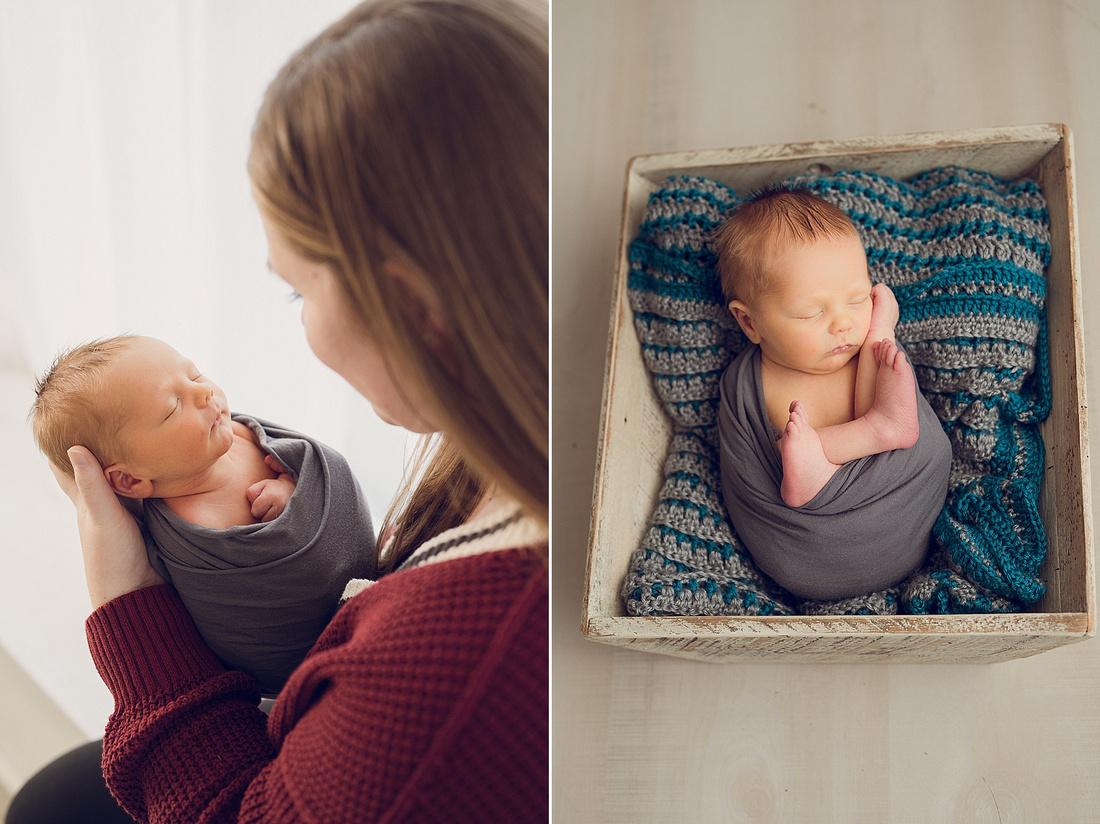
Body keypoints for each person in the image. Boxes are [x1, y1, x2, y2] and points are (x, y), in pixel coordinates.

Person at [7, 0, 547, 821]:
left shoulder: (457, 660)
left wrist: (126, 607)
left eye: (298, 288)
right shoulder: (515, 442)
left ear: (409, 304)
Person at [29, 334, 375, 695]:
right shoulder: (201, 528)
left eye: (195, 376)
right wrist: (291, 506)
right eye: (173, 407)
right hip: (306, 661)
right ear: (130, 479)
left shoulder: (234, 432)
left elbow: (303, 460)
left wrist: (293, 485)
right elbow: (286, 568)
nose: (204, 394)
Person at [713, 185, 951, 601]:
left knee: (893, 393)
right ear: (749, 323)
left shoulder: (865, 353)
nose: (842, 324)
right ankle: (874, 431)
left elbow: (911, 440)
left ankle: (878, 428)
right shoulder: (743, 384)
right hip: (807, 551)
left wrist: (879, 334)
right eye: (810, 312)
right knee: (789, 442)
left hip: (897, 519)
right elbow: (748, 474)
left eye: (858, 300)